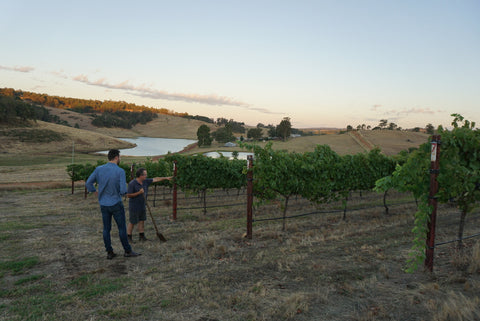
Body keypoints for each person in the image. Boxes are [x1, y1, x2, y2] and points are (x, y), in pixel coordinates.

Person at [86, 149, 141, 260]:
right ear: (116, 157)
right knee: (121, 228)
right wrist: (124, 193)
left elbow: (88, 183)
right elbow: (122, 190)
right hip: (116, 203)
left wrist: (94, 191)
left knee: (106, 229)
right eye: (120, 157)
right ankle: (127, 250)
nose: (120, 158)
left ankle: (109, 252)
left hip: (103, 204)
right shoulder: (120, 171)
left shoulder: (99, 169)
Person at [127, 167, 172, 242]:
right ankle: (128, 238)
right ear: (140, 175)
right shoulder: (132, 184)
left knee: (142, 220)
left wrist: (166, 178)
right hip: (134, 206)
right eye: (145, 174)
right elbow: (128, 195)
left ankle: (142, 237)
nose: (146, 176)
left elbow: (156, 179)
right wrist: (139, 193)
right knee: (132, 222)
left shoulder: (145, 181)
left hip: (143, 205)